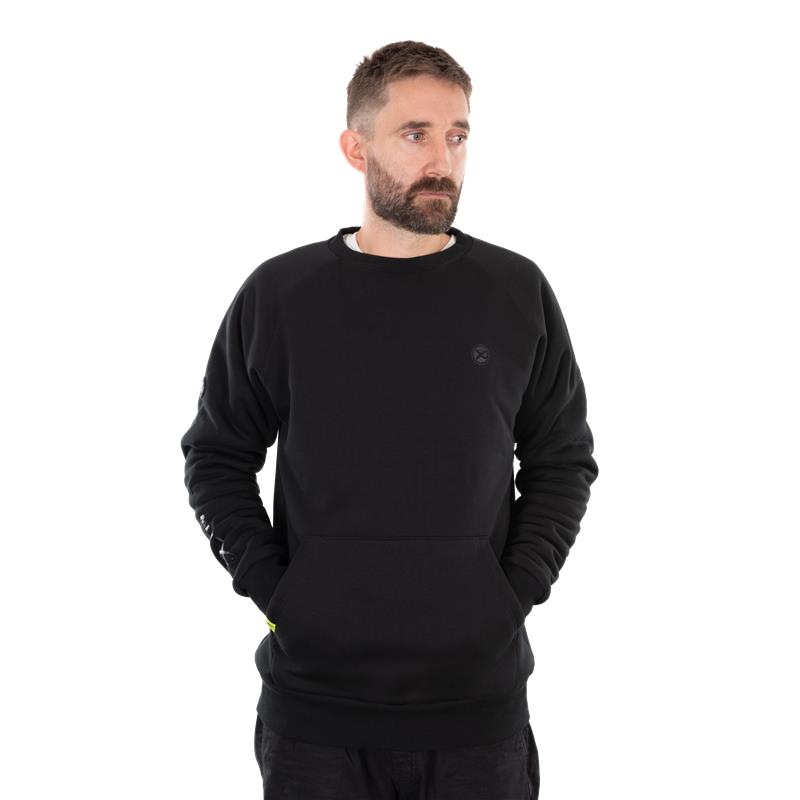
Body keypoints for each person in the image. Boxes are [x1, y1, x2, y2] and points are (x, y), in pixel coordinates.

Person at [180, 39, 598, 800]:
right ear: (356, 147)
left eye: (458, 135)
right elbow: (216, 456)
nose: (443, 159)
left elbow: (562, 459)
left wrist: (513, 592)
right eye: (415, 134)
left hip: (477, 716)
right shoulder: (282, 294)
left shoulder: (515, 291)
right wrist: (276, 590)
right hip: (316, 720)